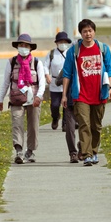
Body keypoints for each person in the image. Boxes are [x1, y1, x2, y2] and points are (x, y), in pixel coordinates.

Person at [60, 19, 111, 167]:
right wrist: (64, 95)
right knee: (84, 124)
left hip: (100, 94)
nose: (88, 34)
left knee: (96, 126)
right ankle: (86, 155)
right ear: (81, 33)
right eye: (85, 31)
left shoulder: (103, 49)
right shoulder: (74, 51)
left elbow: (110, 69)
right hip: (81, 95)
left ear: (94, 32)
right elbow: (67, 74)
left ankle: (94, 151)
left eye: (90, 30)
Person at [0, 33, 46, 164]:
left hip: (33, 100)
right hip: (16, 99)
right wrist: (1, 99)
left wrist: (39, 97)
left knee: (33, 126)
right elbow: (5, 82)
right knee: (17, 125)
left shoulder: (37, 63)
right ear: (17, 47)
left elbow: (42, 83)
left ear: (30, 48)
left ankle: (30, 151)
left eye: (26, 45)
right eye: (21, 45)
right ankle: (18, 151)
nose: (23, 47)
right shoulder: (11, 62)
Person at [45, 31, 79, 163]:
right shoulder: (52, 53)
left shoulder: (71, 53)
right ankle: (55, 118)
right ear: (56, 43)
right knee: (55, 104)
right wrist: (47, 75)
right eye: (60, 42)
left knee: (67, 106)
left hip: (68, 86)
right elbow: (44, 65)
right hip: (55, 84)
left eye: (65, 42)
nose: (63, 44)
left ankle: (65, 123)